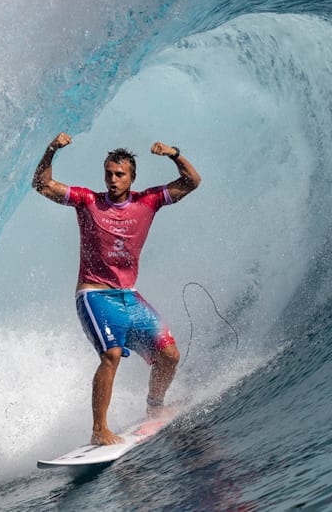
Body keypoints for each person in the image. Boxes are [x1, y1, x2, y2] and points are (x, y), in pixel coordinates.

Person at [33, 131, 201, 445]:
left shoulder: (147, 202)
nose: (113, 179)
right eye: (109, 174)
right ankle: (99, 430)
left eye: (120, 175)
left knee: (169, 355)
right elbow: (41, 185)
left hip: (128, 296)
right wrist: (51, 149)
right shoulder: (88, 201)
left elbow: (192, 182)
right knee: (111, 355)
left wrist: (174, 154)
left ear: (132, 178)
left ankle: (154, 407)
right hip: (94, 294)